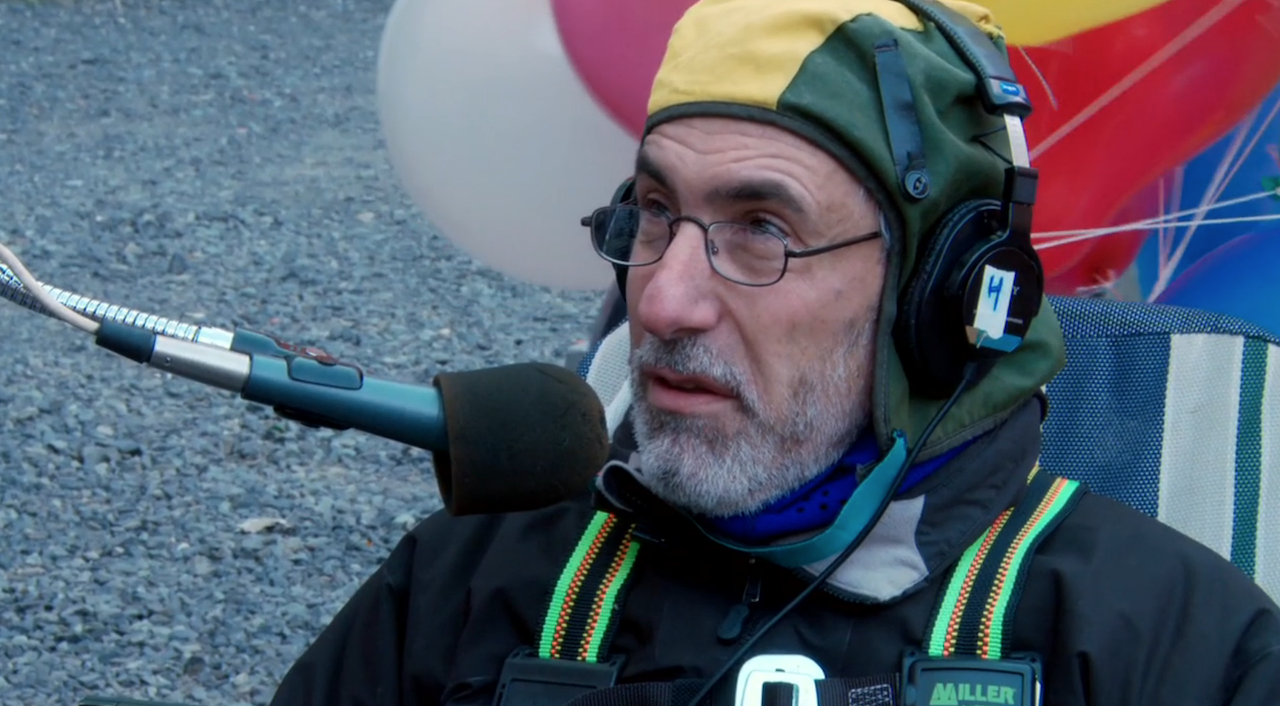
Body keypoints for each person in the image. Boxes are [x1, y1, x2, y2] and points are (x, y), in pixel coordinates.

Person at [268, 0, 1280, 704]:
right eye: (654, 210)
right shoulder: (465, 585)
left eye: (762, 229)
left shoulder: (1171, 646)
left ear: (938, 293)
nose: (663, 299)